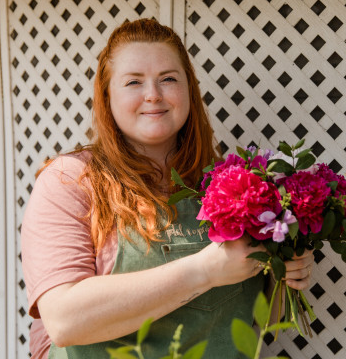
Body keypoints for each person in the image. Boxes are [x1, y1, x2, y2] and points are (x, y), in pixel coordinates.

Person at [21, 18, 314, 359]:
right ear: (107, 96)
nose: (153, 95)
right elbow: (64, 319)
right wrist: (204, 272)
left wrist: (287, 273)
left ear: (188, 90)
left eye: (168, 79)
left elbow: (259, 316)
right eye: (133, 81)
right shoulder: (71, 181)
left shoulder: (234, 185)